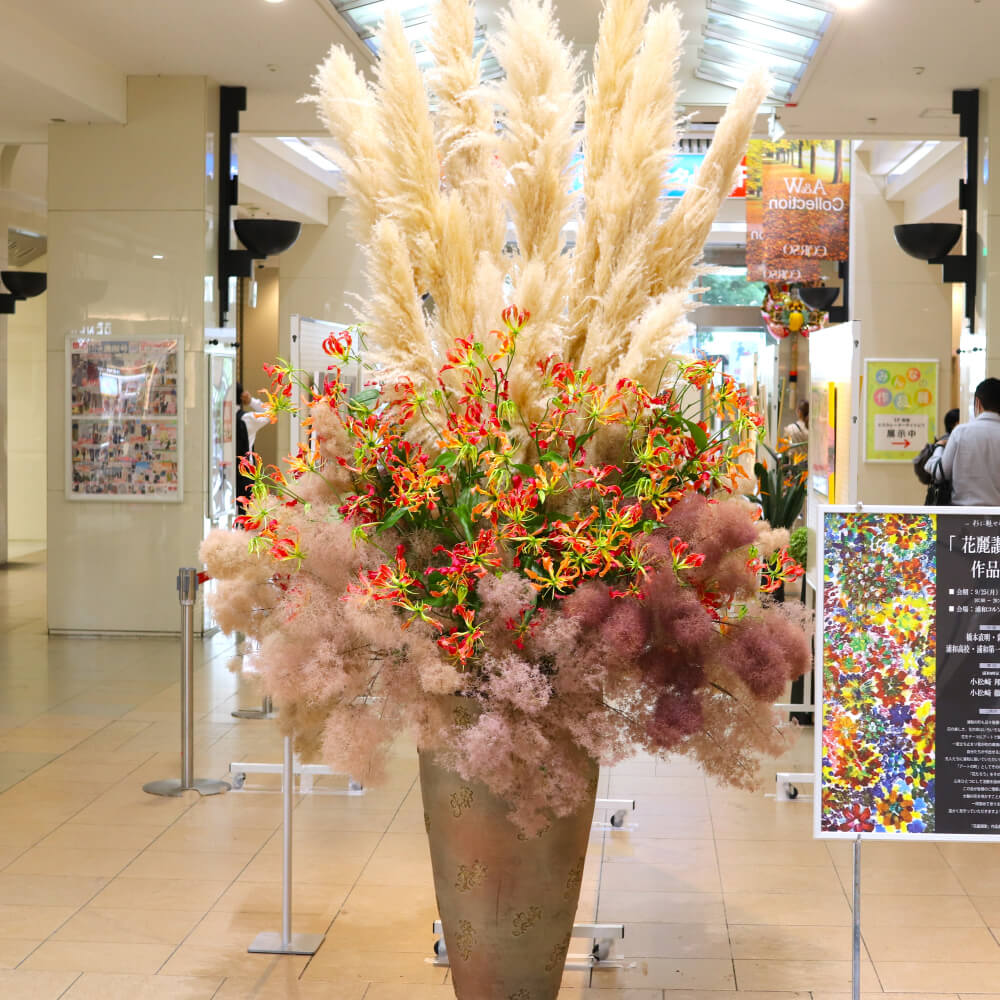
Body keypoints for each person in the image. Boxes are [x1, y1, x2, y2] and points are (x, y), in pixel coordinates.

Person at [941, 379, 1000, 506]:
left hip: (963, 515)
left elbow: (942, 472)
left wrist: (938, 449)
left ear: (977, 402)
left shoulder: (960, 432)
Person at [920, 407, 959, 486]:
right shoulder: (948, 441)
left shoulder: (944, 439)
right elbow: (931, 467)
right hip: (946, 490)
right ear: (956, 424)